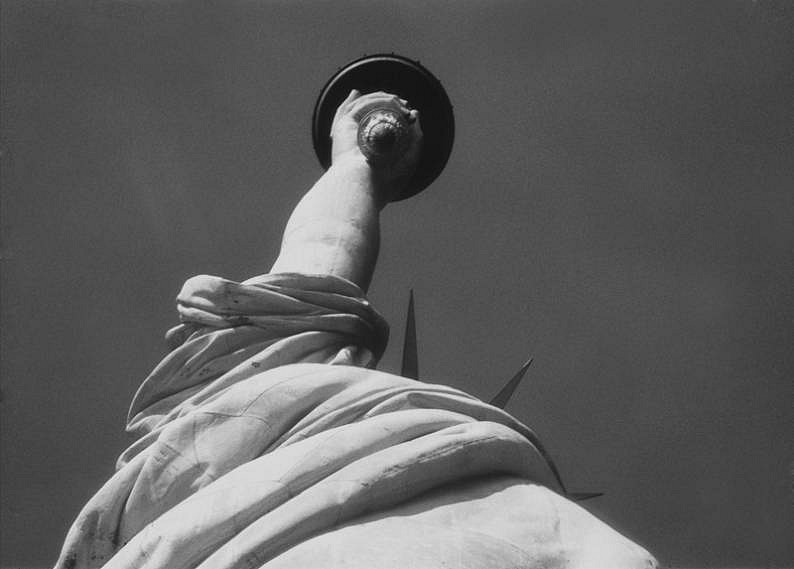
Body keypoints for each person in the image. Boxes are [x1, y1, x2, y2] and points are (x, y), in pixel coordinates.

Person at [54, 91, 657, 569]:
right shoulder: (547, 528)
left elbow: (311, 283)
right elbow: (310, 291)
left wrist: (360, 156)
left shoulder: (262, 409)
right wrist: (362, 158)